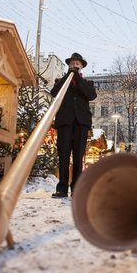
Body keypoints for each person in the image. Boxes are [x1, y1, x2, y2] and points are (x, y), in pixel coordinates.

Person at [50, 53, 97, 198]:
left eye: (77, 64)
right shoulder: (61, 80)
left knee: (78, 157)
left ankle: (76, 188)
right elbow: (54, 92)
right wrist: (68, 77)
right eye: (72, 63)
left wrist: (76, 77)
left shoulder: (87, 83)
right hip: (65, 122)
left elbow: (91, 95)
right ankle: (62, 188)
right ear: (68, 65)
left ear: (81, 66)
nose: (74, 65)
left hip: (81, 123)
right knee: (63, 156)